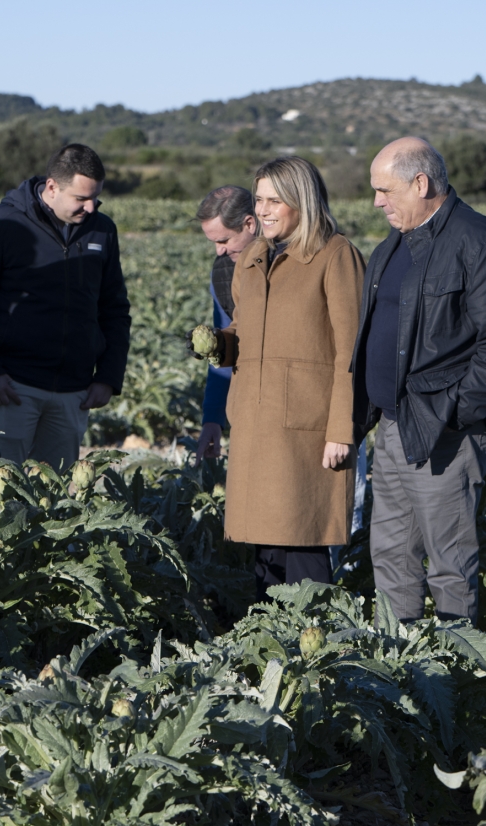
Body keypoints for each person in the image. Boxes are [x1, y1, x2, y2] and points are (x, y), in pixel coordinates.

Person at [352, 137, 486, 625]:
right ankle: (400, 669)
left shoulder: (477, 240)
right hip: (391, 426)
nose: (376, 201)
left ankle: (458, 675)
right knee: (390, 557)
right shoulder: (394, 244)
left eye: (384, 190)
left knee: (449, 565)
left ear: (421, 182)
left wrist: (455, 412)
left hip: (444, 433)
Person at [212, 157, 365, 603]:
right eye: (258, 200)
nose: (263, 210)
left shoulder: (336, 255)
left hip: (308, 431)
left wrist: (342, 429)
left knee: (304, 546)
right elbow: (243, 329)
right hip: (257, 424)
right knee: (265, 551)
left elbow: (351, 352)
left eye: (274, 200)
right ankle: (269, 657)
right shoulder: (253, 258)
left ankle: (316, 659)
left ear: (302, 200)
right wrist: (218, 344)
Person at [0, 144, 131, 472]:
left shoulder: (103, 230)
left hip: (73, 391)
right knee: (0, 494)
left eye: (96, 198)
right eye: (81, 199)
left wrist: (109, 376)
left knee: (56, 500)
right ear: (52, 187)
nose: (90, 207)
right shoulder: (0, 224)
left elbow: (114, 308)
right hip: (13, 388)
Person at [194, 185, 257, 459]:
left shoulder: (298, 262)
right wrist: (213, 418)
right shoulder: (222, 273)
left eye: (224, 240)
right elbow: (224, 352)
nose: (219, 251)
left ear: (250, 223)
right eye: (214, 243)